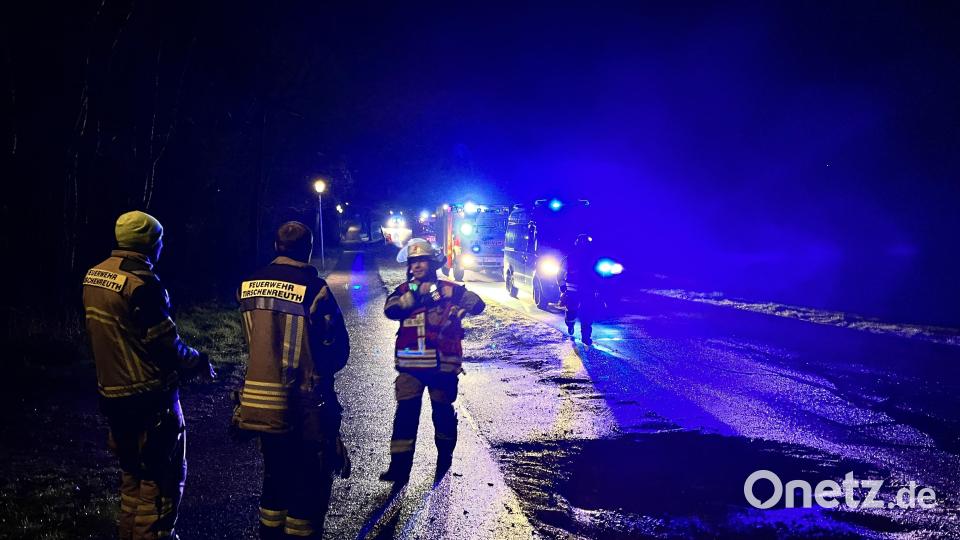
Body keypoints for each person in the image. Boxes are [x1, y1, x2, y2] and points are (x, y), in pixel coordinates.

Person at [82, 210, 215, 540]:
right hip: (150, 402)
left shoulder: (94, 275)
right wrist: (199, 361)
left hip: (113, 398)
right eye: (160, 240)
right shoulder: (143, 285)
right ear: (150, 243)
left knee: (131, 487)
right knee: (159, 492)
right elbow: (166, 346)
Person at [235, 221, 350, 539]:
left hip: (259, 402)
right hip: (304, 403)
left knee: (274, 477)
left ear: (276, 247)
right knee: (309, 482)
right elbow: (336, 351)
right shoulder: (315, 289)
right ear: (308, 250)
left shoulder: (247, 285)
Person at [380, 238, 485, 483]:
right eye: (413, 262)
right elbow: (390, 309)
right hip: (411, 367)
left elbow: (478, 304)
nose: (416, 266)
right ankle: (399, 469)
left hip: (442, 367)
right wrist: (411, 300)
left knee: (443, 415)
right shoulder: (404, 291)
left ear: (432, 263)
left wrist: (462, 307)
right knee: (405, 417)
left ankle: (444, 460)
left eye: (421, 261)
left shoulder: (450, 289)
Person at [557, 234, 602, 346]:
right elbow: (560, 273)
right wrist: (562, 286)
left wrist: (598, 287)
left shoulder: (593, 258)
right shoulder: (570, 258)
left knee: (586, 314)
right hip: (574, 290)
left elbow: (598, 275)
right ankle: (571, 324)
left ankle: (585, 337)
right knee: (573, 312)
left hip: (587, 290)